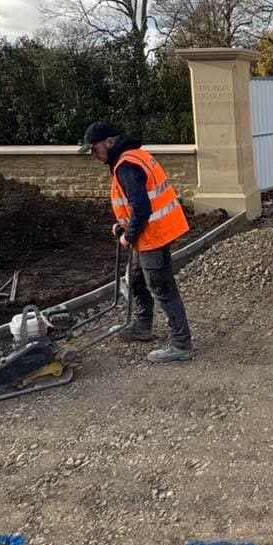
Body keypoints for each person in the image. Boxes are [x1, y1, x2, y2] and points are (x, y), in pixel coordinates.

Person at [79, 120, 195, 363]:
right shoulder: (132, 157)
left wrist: (128, 235)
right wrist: (125, 225)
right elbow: (136, 204)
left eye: (94, 148)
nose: (93, 155)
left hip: (152, 236)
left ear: (109, 142)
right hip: (147, 234)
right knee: (136, 280)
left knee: (163, 289)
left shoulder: (127, 165)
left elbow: (142, 207)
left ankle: (181, 345)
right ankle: (142, 327)